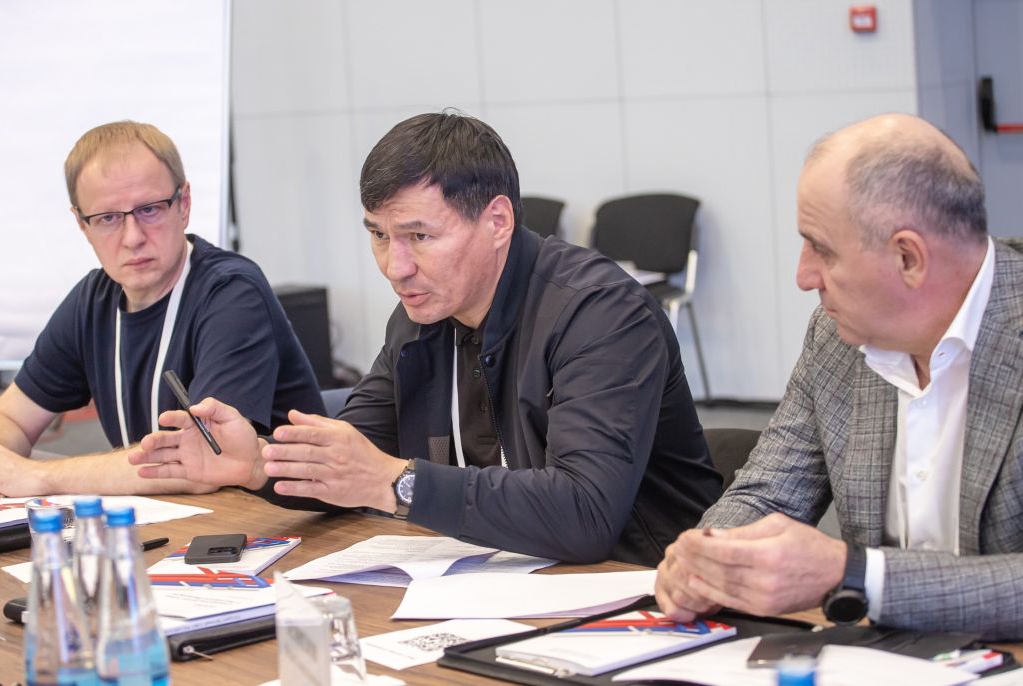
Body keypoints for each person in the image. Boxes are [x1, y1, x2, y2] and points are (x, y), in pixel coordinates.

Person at [131, 111, 721, 564]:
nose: (396, 267)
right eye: (379, 236)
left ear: (497, 221)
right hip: (506, 583)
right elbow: (352, 460)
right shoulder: (420, 316)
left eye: (419, 236)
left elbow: (585, 514)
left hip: (639, 594)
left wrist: (395, 481)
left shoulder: (600, 313)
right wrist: (259, 464)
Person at [655, 113, 1023, 640]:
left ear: (908, 257)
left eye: (822, 249)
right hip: (883, 658)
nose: (804, 277)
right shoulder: (838, 338)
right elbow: (768, 494)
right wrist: (709, 558)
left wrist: (856, 575)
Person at [0, 121, 323, 498]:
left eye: (149, 210)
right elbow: (9, 417)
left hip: (276, 522)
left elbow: (201, 464)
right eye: (107, 218)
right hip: (173, 519)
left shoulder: (231, 293)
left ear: (184, 204)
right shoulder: (91, 301)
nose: (132, 238)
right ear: (82, 225)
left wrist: (39, 476)